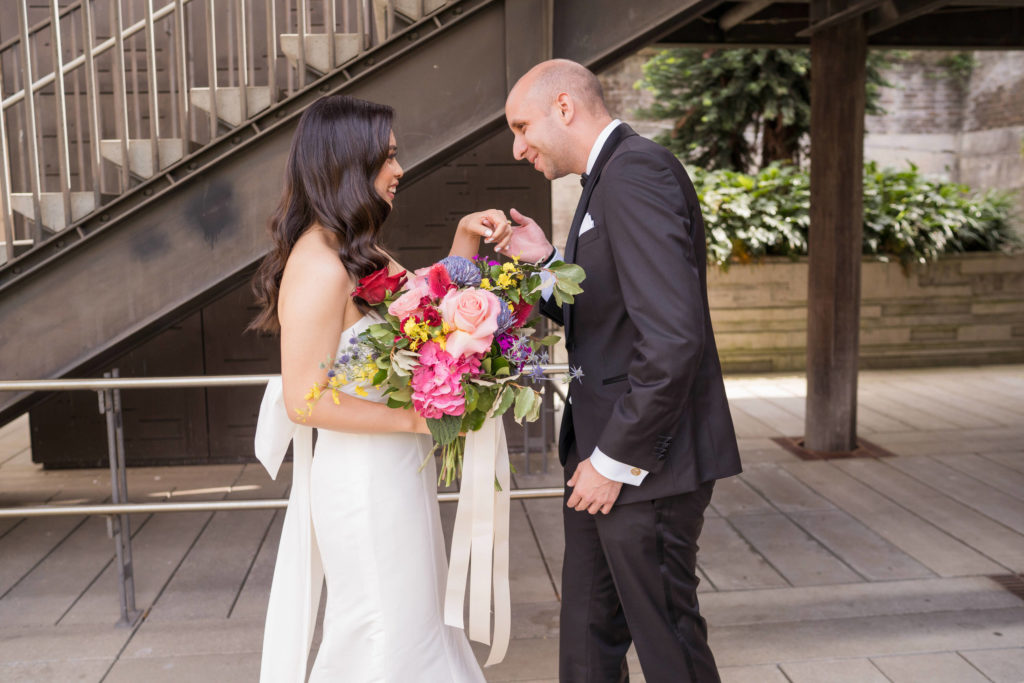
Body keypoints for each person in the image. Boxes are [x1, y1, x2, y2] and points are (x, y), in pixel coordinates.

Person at [498, 60, 743, 682]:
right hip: (597, 457)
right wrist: (547, 261)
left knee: (668, 644)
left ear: (564, 107)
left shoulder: (636, 173)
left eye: (522, 127)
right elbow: (606, 311)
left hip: (641, 462)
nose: (517, 147)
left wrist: (614, 462)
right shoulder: (602, 180)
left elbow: (672, 337)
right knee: (586, 634)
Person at [249, 94, 507, 682]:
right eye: (387, 158)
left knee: (416, 623)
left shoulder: (356, 251)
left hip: (394, 473)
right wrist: (419, 420)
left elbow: (423, 322)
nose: (399, 169)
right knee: (386, 630)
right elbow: (303, 400)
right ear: (347, 164)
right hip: (364, 483)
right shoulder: (319, 263)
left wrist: (463, 246)